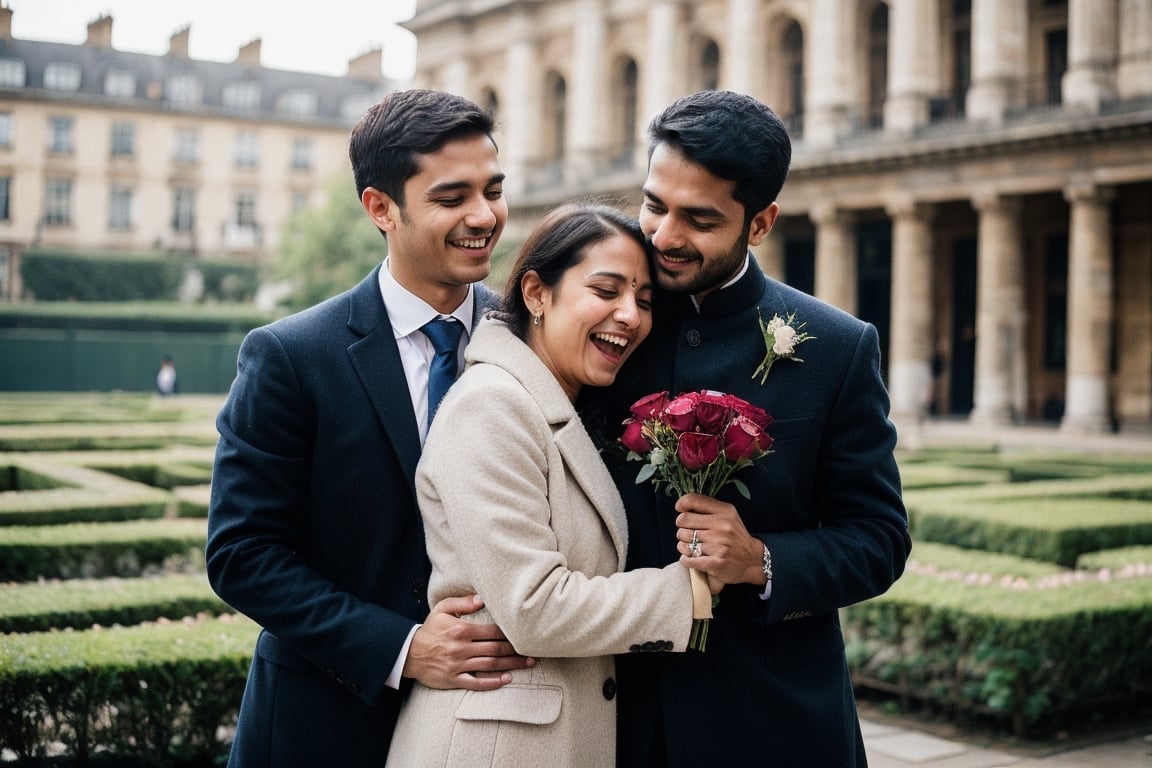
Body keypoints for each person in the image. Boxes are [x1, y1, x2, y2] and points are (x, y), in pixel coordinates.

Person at [205, 89, 534, 767]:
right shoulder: (290, 356)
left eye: (493, 190)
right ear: (380, 208)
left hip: (498, 727)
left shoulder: (534, 340)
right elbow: (242, 554)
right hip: (322, 728)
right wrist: (405, 647)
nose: (484, 216)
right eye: (452, 197)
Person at [601, 90, 912, 766]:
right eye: (654, 204)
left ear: (761, 222)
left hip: (773, 721)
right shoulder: (597, 326)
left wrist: (760, 561)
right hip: (613, 718)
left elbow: (880, 540)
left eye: (699, 218)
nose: (663, 235)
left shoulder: (837, 346)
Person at [385, 202, 718, 768]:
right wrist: (696, 591)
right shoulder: (492, 404)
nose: (630, 316)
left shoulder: (554, 407)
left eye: (641, 299)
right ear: (537, 293)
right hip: (490, 745)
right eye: (606, 290)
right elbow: (536, 607)